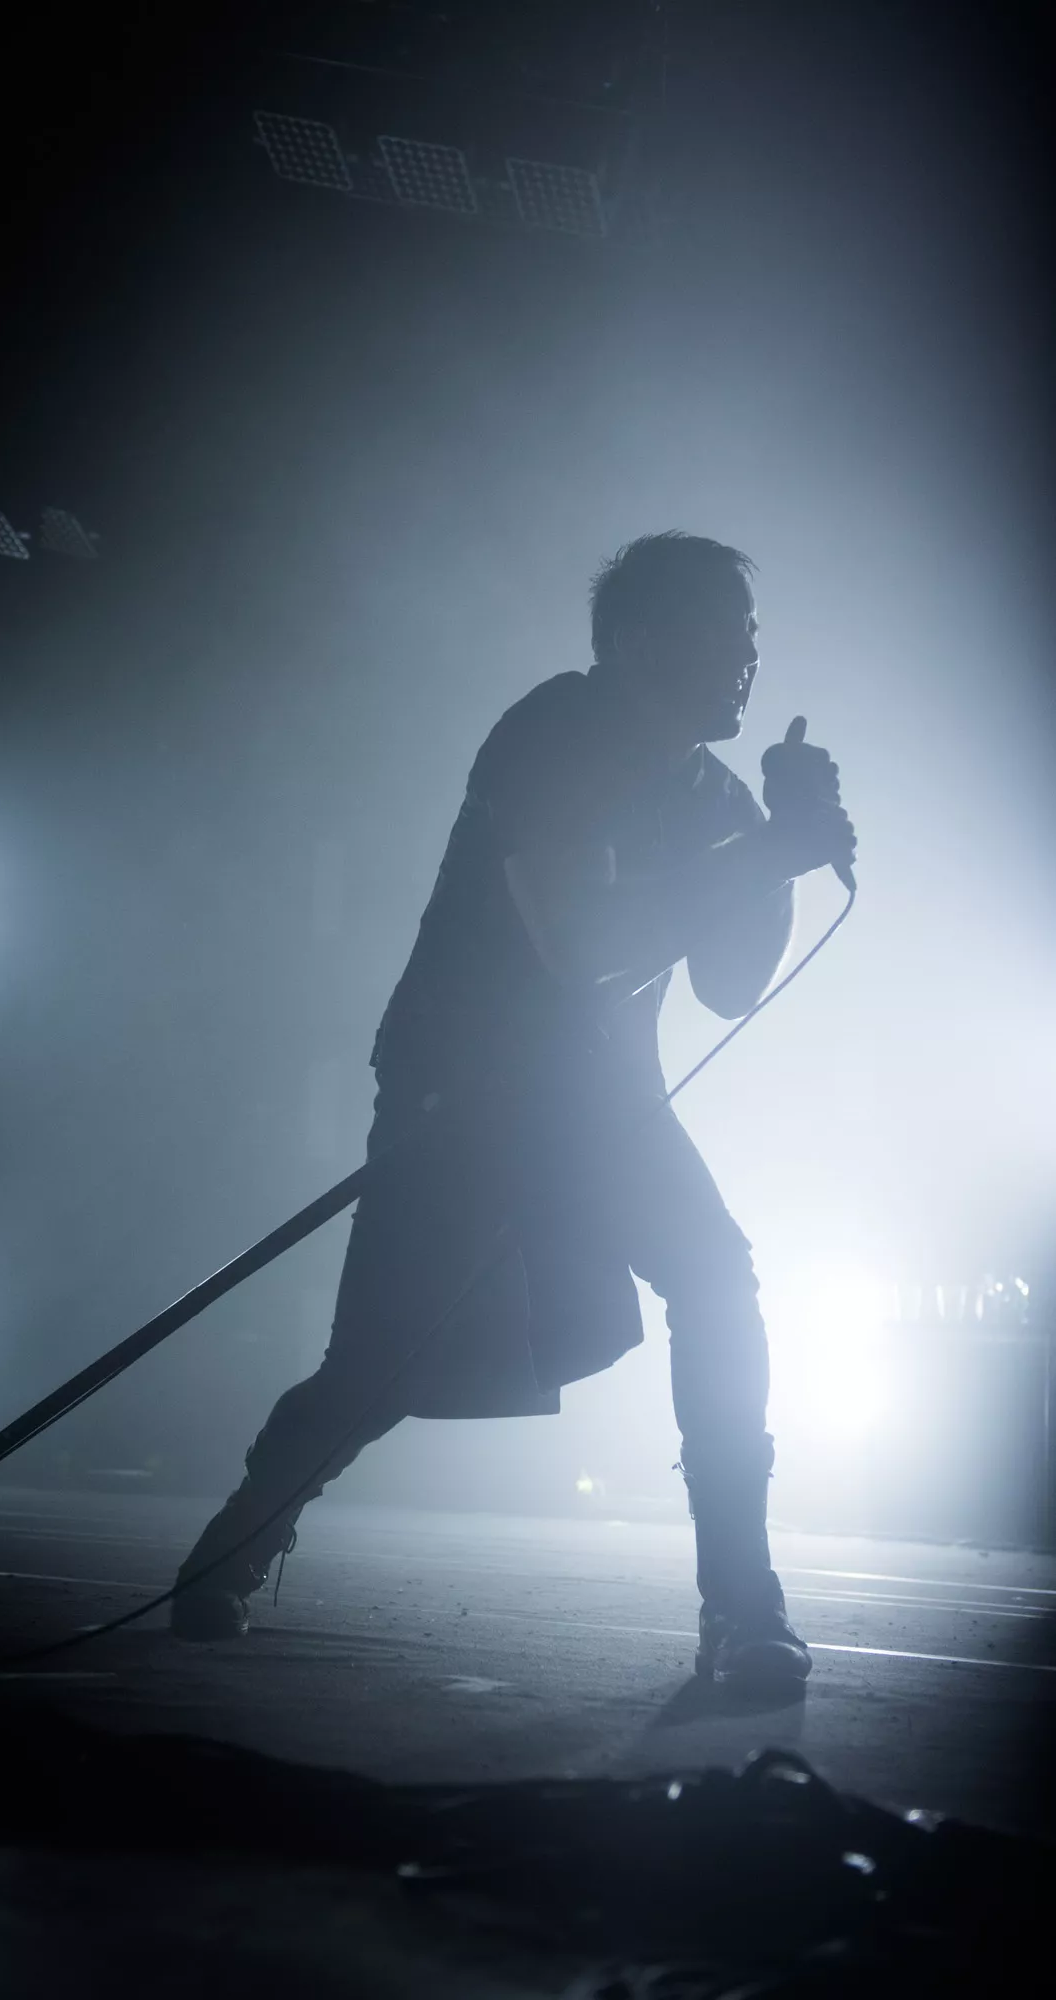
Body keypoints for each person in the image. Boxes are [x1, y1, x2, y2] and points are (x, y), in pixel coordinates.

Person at [170, 531, 857, 1686]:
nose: (747, 655)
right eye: (723, 629)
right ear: (638, 638)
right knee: (383, 1357)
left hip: (599, 1094)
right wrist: (764, 853)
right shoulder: (556, 731)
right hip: (469, 1080)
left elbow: (732, 984)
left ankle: (742, 1602)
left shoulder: (716, 795)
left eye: (751, 635)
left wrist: (778, 852)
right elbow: (576, 944)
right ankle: (236, 1540)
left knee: (716, 1274)